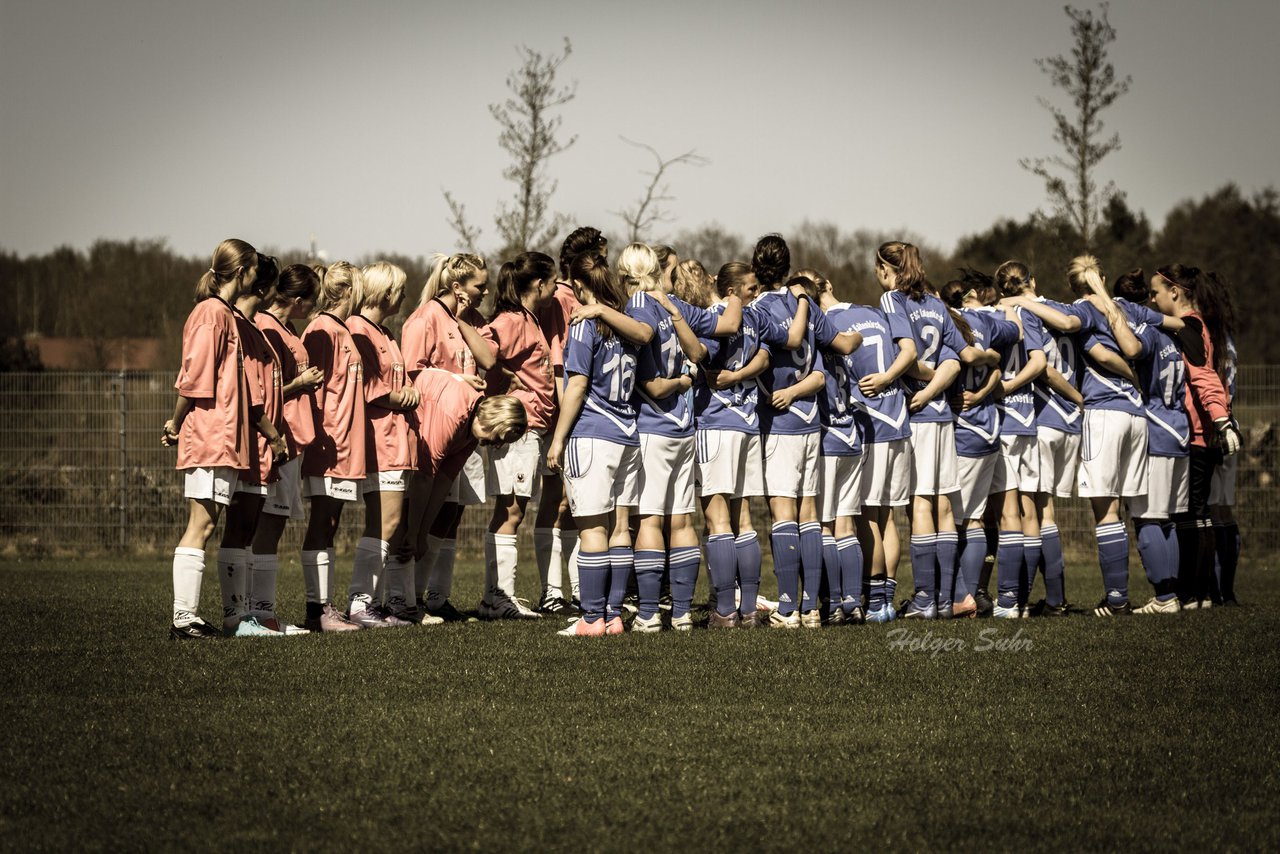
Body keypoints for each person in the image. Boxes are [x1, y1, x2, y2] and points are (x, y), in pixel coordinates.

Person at [1011, 256, 1151, 616]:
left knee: (1089, 509)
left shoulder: (1078, 309)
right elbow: (1133, 348)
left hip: (1092, 411)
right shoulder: (1123, 309)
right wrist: (1134, 379)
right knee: (1131, 509)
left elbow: (1069, 335)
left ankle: (1105, 599)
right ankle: (1169, 592)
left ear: (1076, 286)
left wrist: (1023, 302)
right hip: (1133, 413)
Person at [613, 244, 740, 632]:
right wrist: (734, 294)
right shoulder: (671, 303)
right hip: (685, 426)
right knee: (682, 520)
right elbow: (718, 333)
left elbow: (650, 383)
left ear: (625, 274)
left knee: (650, 520)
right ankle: (682, 613)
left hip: (653, 426)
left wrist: (679, 381)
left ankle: (650, 614)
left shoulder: (636, 305)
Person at [751, 235, 860, 628]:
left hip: (778, 422)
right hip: (811, 421)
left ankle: (786, 608)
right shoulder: (808, 305)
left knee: (783, 514)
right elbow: (839, 345)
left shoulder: (756, 310)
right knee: (810, 514)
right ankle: (812, 608)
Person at [876, 241, 990, 620]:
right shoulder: (936, 302)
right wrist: (935, 386)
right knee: (943, 505)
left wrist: (920, 389)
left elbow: (908, 356)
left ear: (884, 268)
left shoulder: (893, 299)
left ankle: (926, 599)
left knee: (921, 503)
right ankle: (944, 599)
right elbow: (956, 362)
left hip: (918, 414)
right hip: (942, 415)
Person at [690, 262, 806, 627]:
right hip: (748, 423)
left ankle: (726, 611)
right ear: (732, 290)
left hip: (716, 424)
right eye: (750, 287)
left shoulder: (714, 317)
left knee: (718, 517)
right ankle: (750, 610)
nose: (756, 293)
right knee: (742, 519)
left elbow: (701, 356)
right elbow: (774, 351)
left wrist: (723, 373)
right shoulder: (756, 319)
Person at [163, 238, 261, 639]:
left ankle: (187, 617)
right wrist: (175, 421)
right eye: (254, 270)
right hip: (210, 434)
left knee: (206, 524)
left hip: (222, 435)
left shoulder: (224, 313)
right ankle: (183, 619)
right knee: (200, 525)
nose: (257, 278)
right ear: (241, 273)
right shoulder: (210, 314)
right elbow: (196, 375)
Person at [547, 251, 642, 637]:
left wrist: (558, 439)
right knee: (621, 527)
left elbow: (578, 384)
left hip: (592, 434)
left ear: (581, 286)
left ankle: (590, 619)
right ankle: (614, 615)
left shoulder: (586, 324)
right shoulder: (628, 324)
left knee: (591, 529)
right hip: (628, 435)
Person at [399, 253, 492, 621]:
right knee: (416, 515)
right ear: (457, 286)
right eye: (479, 286)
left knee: (450, 514)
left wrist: (465, 318)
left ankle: (433, 596)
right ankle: (406, 597)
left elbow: (488, 358)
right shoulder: (424, 318)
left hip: (464, 433)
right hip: (433, 431)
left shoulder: (468, 319)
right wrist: (455, 380)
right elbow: (410, 375)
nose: (485, 291)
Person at [392, 370, 528, 614]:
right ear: (493, 418)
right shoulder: (453, 413)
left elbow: (443, 480)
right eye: (499, 436)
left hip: (420, 460)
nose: (496, 445)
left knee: (422, 527)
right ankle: (394, 602)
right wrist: (414, 532)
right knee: (399, 523)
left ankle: (409, 601)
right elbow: (425, 477)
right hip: (396, 442)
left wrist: (422, 533)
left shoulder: (473, 430)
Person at [1150, 265, 1241, 608]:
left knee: (1191, 514)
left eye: (1156, 291)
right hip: (1204, 431)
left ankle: (1194, 593)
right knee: (1198, 513)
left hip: (1198, 433)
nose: (1152, 297)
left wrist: (1220, 419)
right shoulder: (1197, 325)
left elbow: (1203, 377)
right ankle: (1202, 593)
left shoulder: (1189, 326)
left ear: (1175, 291)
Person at [476, 252, 559, 618]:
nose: (556, 288)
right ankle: (499, 598)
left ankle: (497, 597)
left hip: (534, 427)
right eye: (553, 281)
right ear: (539, 284)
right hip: (517, 429)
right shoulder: (511, 320)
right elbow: (485, 351)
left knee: (516, 509)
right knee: (510, 509)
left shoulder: (530, 319)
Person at [533, 227, 608, 614]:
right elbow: (560, 362)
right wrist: (565, 415)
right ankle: (552, 590)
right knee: (559, 500)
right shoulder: (563, 299)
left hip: (571, 409)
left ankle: (577, 589)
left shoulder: (572, 298)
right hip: (561, 408)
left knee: (571, 501)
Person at [251, 263, 325, 633]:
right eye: (311, 302)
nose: (313, 310)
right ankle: (259, 613)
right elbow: (260, 392)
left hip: (293, 436)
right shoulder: (266, 327)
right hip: (278, 436)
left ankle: (262, 612)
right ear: (296, 300)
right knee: (269, 521)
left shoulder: (285, 327)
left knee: (275, 521)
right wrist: (301, 384)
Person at [219, 253, 291, 637]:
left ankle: (245, 615)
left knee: (248, 526)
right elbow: (248, 395)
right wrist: (273, 433)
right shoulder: (237, 326)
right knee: (240, 523)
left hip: (261, 443)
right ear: (261, 287)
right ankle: (235, 618)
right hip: (248, 440)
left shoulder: (254, 327)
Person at [940, 275, 1020, 618]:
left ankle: (961, 597)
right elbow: (1014, 332)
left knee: (958, 521)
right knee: (973, 519)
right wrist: (1010, 306)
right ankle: (966, 596)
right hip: (989, 430)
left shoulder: (948, 323)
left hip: (964, 433)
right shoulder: (988, 320)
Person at [346, 261, 420, 627]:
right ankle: (361, 602)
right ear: (385, 292)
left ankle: (385, 601)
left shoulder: (385, 332)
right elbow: (365, 384)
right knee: (385, 521)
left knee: (393, 523)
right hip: (380, 438)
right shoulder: (357, 329)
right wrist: (399, 397)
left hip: (396, 438)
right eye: (400, 289)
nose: (404, 296)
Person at [1113, 269, 1189, 613]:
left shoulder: (1151, 333)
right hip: (1180, 428)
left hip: (1157, 427)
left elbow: (1132, 346)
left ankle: (1163, 597)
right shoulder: (1177, 335)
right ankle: (1173, 592)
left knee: (1146, 517)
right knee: (1167, 518)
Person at [299, 262, 367, 632]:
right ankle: (316, 610)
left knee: (332, 522)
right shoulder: (321, 328)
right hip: (330, 442)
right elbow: (314, 393)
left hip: (347, 443)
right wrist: (322, 436)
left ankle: (325, 607)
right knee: (321, 523)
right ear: (349, 291)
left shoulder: (342, 328)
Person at [988, 261, 1052, 619]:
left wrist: (1006, 386)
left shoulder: (996, 314)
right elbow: (1039, 361)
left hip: (1004, 420)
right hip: (1028, 420)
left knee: (1006, 512)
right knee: (1029, 511)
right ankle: (1023, 599)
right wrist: (1020, 386)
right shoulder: (1030, 313)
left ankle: (1009, 599)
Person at [806, 271, 869, 626]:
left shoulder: (817, 332)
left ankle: (831, 604)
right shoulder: (841, 333)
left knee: (827, 526)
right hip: (851, 436)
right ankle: (852, 601)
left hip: (829, 438)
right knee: (846, 525)